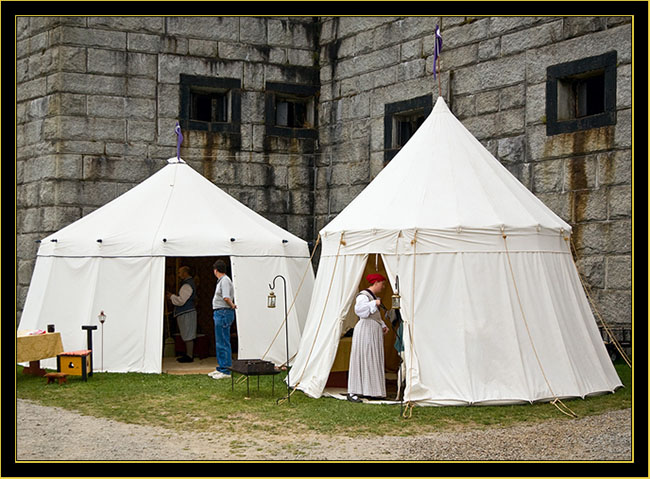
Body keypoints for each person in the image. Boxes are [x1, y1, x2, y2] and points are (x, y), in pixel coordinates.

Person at [347, 273, 389, 402]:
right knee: (363, 356)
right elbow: (360, 311)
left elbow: (374, 315)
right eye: (382, 284)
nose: (383, 287)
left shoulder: (372, 297)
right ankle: (354, 391)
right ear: (376, 282)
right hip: (365, 329)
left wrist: (382, 324)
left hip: (372, 329)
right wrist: (373, 304)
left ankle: (369, 389)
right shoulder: (363, 296)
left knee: (371, 357)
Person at [208, 259, 237, 379]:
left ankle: (226, 370)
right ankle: (221, 367)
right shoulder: (222, 281)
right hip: (221, 312)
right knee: (220, 341)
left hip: (223, 312)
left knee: (223, 341)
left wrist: (232, 305)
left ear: (216, 270)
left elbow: (226, 297)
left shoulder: (224, 281)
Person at [166, 266, 197, 363]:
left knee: (188, 333)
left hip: (186, 312)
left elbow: (181, 301)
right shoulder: (187, 284)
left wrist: (171, 297)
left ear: (185, 273)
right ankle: (188, 354)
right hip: (186, 312)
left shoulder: (187, 285)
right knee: (187, 333)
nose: (178, 275)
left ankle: (189, 356)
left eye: (180, 273)